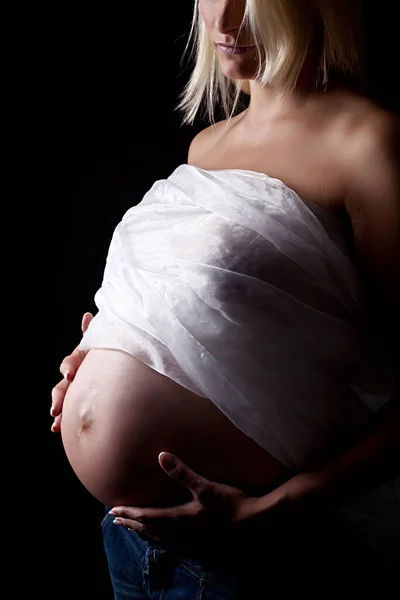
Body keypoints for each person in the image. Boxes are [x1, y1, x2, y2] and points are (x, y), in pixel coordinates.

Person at [51, 0, 399, 597]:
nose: (228, 20)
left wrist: (284, 506)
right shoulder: (208, 146)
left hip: (250, 556)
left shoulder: (365, 145)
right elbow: (221, 323)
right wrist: (108, 345)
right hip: (131, 544)